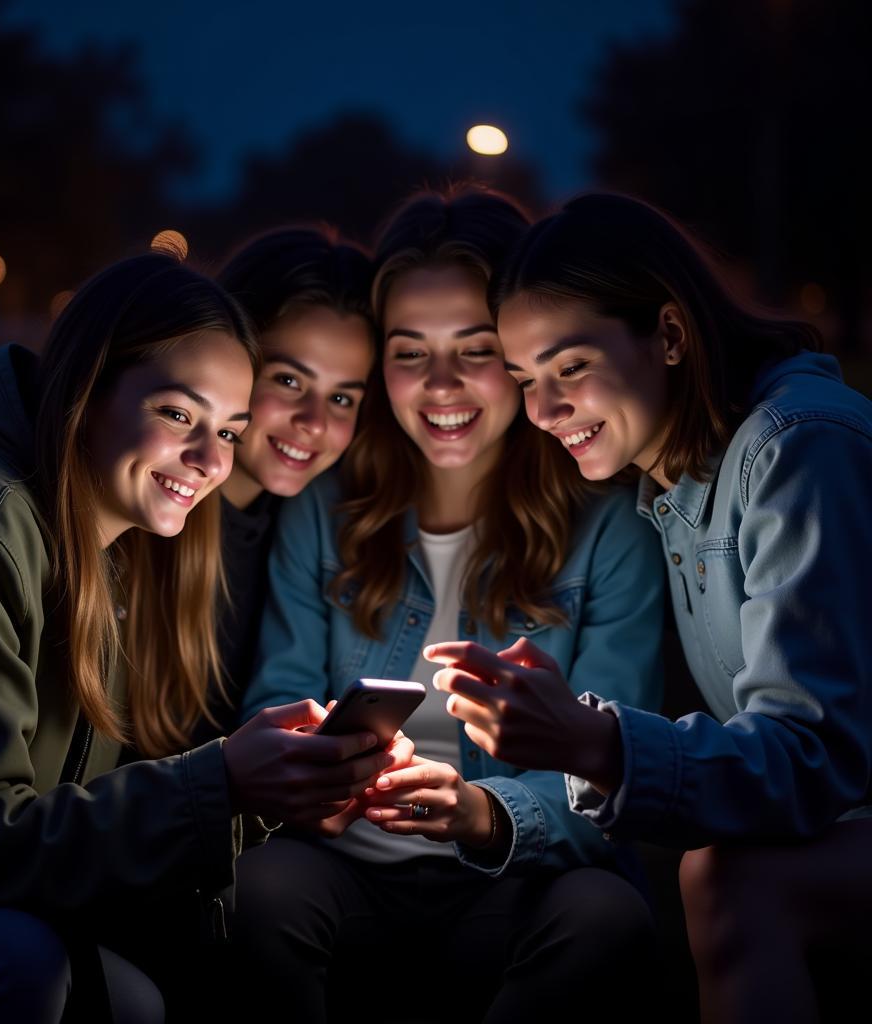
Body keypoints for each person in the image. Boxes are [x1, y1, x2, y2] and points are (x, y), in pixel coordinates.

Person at [0, 252, 406, 1023]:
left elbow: (84, 805)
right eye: (178, 414)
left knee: (136, 1000)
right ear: (89, 386)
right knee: (21, 968)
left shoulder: (118, 540)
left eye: (227, 429)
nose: (210, 460)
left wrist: (271, 790)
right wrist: (224, 782)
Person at [427, 192, 872, 1023]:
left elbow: (815, 755)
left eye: (569, 367)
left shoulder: (798, 445)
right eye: (525, 380)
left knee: (726, 876)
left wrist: (592, 740)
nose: (541, 410)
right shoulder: (670, 489)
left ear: (669, 335)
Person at [234, 188, 667, 1023]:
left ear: (517, 348)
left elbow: (616, 770)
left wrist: (481, 814)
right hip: (345, 870)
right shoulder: (325, 510)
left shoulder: (607, 526)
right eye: (409, 352)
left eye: (474, 349)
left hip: (518, 877)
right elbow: (273, 695)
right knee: (258, 892)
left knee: (606, 915)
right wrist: (317, 779)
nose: (441, 385)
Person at [192, 227, 375, 742]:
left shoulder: (311, 530)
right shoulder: (154, 512)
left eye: (342, 398)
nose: (313, 422)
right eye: (289, 380)